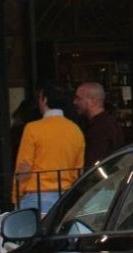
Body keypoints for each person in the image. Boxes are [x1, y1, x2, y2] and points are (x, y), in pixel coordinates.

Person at [13, 84, 84, 214]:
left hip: (36, 196)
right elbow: (77, 171)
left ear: (45, 100)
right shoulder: (75, 130)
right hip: (65, 196)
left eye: (40, 98)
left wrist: (16, 196)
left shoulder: (32, 129)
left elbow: (24, 167)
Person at [73, 82, 125, 166]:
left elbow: (93, 164)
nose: (74, 102)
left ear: (92, 101)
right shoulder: (111, 123)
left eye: (78, 98)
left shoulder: (99, 129)